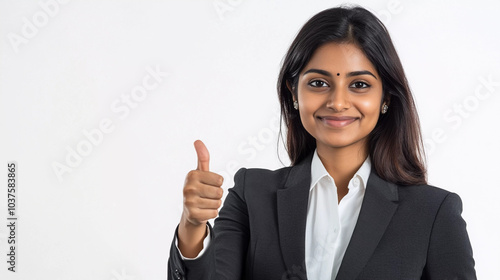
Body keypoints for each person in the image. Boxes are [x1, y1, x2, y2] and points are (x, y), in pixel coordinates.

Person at [168, 5, 477, 280]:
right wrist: (192, 226)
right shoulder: (252, 195)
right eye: (318, 83)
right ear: (293, 93)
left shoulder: (434, 213)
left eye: (359, 85)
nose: (338, 102)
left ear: (385, 98)